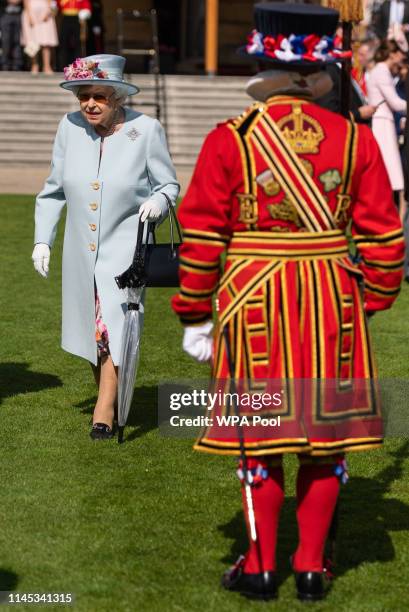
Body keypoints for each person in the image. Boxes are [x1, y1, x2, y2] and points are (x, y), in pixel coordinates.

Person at [172, 2, 404, 603]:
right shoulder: (353, 141)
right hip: (332, 302)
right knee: (324, 440)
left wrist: (195, 312)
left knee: (260, 439)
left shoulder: (230, 138)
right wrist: (372, 297)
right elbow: (383, 236)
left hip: (252, 304)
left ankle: (257, 566)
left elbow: (202, 235)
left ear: (262, 65)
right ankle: (308, 567)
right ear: (322, 71)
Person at [32, 54, 179, 439]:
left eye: (99, 95)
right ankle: (107, 395)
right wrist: (42, 240)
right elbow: (53, 191)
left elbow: (169, 185)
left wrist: (159, 202)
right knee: (90, 330)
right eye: (84, 96)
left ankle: (104, 410)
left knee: (112, 326)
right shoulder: (69, 127)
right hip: (80, 253)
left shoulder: (146, 130)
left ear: (117, 97)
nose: (91, 104)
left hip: (125, 251)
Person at [367, 38, 407, 212]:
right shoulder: (382, 70)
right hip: (381, 123)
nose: (402, 57)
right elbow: (395, 103)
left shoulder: (382, 70)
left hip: (384, 121)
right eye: (399, 53)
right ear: (392, 54)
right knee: (386, 170)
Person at [21, 0, 58, 73]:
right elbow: (26, 2)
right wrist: (29, 16)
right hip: (31, 14)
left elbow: (51, 3)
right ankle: (34, 65)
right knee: (32, 42)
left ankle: (47, 66)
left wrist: (48, 13)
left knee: (46, 42)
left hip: (45, 14)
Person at [57, 0, 91, 69]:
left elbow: (86, 6)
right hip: (65, 18)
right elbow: (57, 6)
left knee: (77, 43)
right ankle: (62, 66)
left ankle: (78, 66)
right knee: (63, 42)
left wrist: (83, 14)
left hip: (77, 18)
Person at [0, 0, 23, 71]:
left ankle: (17, 64)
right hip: (5, 15)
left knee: (18, 40)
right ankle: (5, 64)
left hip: (19, 15)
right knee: (5, 41)